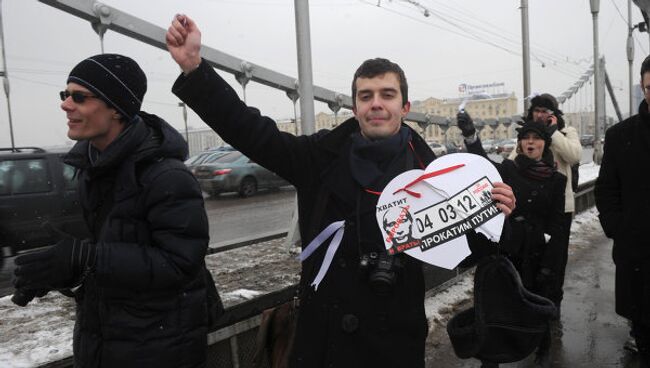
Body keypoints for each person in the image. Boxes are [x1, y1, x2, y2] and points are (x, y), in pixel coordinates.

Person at [166, 14, 516, 368]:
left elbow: (464, 252)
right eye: (366, 96)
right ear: (355, 107)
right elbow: (251, 131)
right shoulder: (317, 160)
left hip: (394, 344)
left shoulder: (436, 178)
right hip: (323, 344)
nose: (376, 103)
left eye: (387, 95)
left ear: (405, 108)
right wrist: (196, 69)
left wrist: (495, 216)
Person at [12, 54, 217, 368]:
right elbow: (107, 258)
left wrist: (88, 259)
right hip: (105, 344)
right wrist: (64, 271)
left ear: (117, 108)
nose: (66, 105)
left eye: (79, 97)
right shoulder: (91, 171)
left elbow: (179, 264)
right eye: (64, 95)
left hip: (158, 350)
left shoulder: (167, 177)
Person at [458, 112, 566, 366]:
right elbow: (480, 163)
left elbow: (557, 223)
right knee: (496, 305)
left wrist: (551, 264)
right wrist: (471, 137)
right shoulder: (507, 169)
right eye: (525, 138)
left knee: (536, 303)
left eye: (536, 138)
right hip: (507, 249)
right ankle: (490, 357)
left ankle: (542, 349)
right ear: (519, 144)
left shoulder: (557, 180)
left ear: (544, 144)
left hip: (537, 252)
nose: (530, 142)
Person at [595, 54, 650, 368]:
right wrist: (619, 227)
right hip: (638, 256)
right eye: (649, 87)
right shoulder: (620, 137)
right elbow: (605, 190)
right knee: (644, 337)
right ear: (643, 89)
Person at [507, 93, 581, 314]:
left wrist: (553, 134)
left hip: (559, 208)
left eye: (545, 111)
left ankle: (553, 303)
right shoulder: (528, 138)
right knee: (531, 260)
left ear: (553, 115)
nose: (540, 114)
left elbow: (575, 156)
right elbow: (511, 164)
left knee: (556, 259)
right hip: (531, 209)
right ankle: (530, 304)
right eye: (536, 110)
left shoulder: (567, 133)